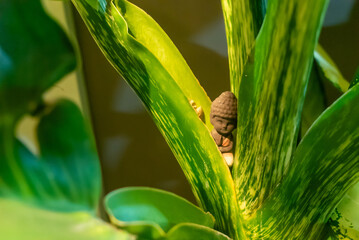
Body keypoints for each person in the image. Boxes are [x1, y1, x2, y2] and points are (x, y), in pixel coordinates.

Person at [210, 91, 237, 167]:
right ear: (212, 119)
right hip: (214, 152)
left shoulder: (229, 136)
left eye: (229, 124)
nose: (224, 126)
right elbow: (210, 144)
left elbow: (230, 146)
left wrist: (221, 149)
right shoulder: (214, 134)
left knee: (229, 162)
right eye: (220, 121)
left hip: (226, 153)